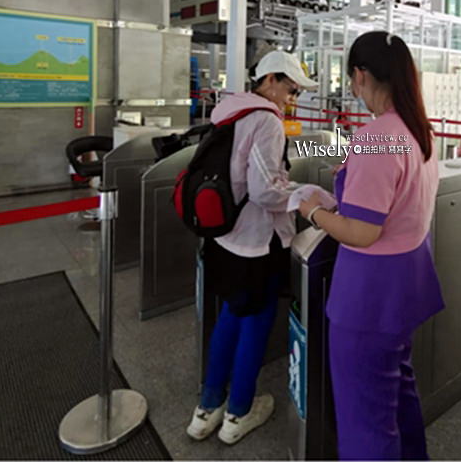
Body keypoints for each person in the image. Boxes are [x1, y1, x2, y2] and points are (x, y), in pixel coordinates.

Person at [299, 31, 444, 460]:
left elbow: (363, 233)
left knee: (365, 415)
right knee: (397, 391)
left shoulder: (375, 138)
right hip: (407, 281)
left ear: (361, 75)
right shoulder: (418, 131)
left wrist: (313, 210)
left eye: (352, 79)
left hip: (369, 295)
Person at [186, 50, 316, 445]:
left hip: (224, 236)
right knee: (256, 323)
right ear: (272, 79)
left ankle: (207, 409)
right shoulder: (266, 120)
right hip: (256, 243)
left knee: (230, 314)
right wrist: (303, 195)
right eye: (291, 88)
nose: (292, 98)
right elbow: (263, 190)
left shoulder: (229, 111)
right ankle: (238, 413)